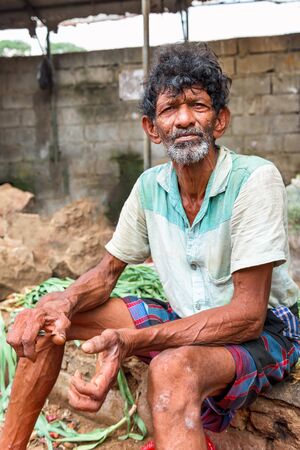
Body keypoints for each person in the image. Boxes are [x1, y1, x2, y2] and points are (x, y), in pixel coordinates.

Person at [1, 42, 299, 450]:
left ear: (220, 120)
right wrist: (59, 304)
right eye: (170, 108)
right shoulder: (149, 188)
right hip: (186, 317)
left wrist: (136, 341)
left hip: (264, 328)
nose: (183, 120)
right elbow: (106, 274)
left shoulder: (254, 180)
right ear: (152, 128)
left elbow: (247, 317)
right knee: (49, 321)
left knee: (171, 371)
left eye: (198, 105)